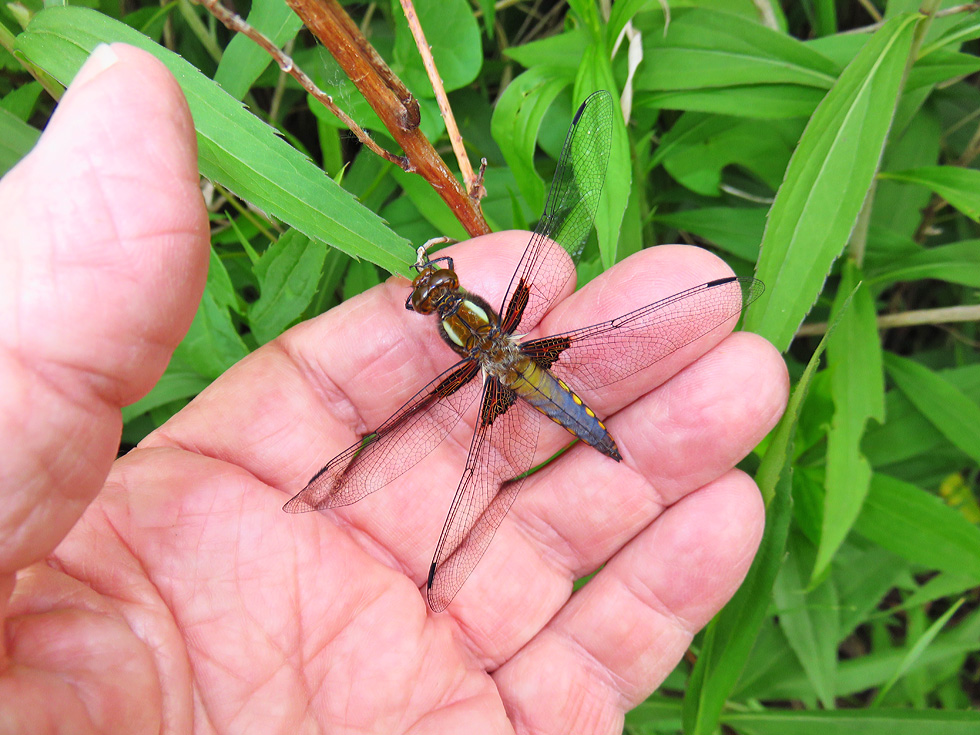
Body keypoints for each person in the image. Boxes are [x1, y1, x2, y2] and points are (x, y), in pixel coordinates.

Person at [0, 44, 788, 734]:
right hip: (525, 362)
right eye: (435, 292)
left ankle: (589, 436)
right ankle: (608, 416)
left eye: (438, 287)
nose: (438, 292)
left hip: (507, 373)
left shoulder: (460, 364)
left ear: (450, 307)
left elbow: (424, 394)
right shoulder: (498, 325)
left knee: (451, 430)